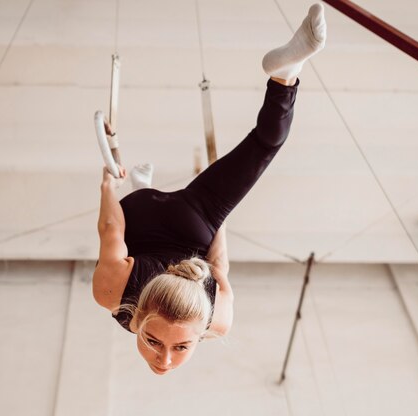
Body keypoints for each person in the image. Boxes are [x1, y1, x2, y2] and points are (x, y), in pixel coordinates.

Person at [92, 3, 327, 375]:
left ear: (141, 316)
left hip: (181, 222)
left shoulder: (216, 316)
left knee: (265, 147)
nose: (164, 358)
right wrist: (109, 187)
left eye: (153, 340)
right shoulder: (114, 293)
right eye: (180, 346)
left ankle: (285, 79)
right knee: (254, 157)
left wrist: (217, 208)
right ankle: (286, 69)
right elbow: (111, 230)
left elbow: (215, 263)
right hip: (153, 214)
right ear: (198, 331)